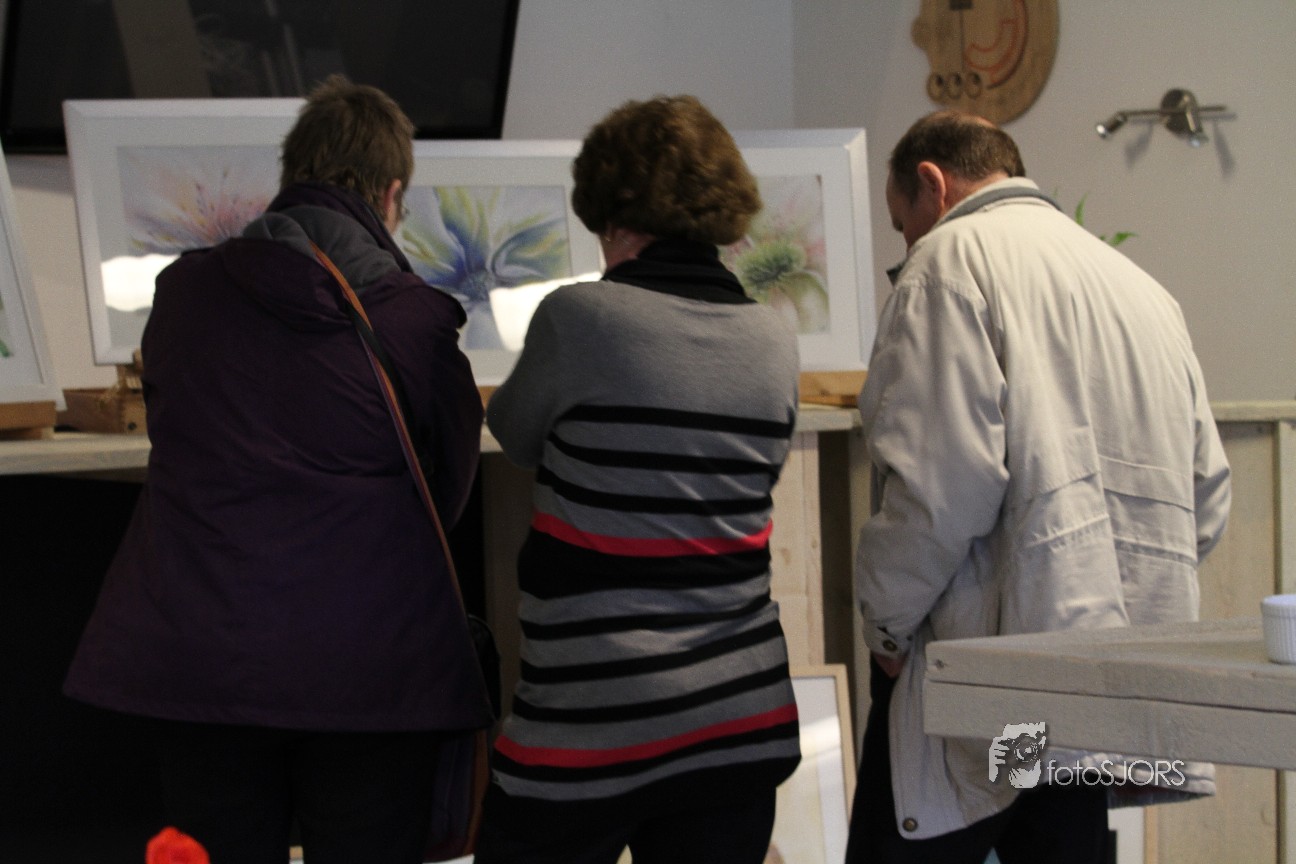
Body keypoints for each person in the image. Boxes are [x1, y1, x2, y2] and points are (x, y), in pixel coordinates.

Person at [64, 75, 493, 864]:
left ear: (292, 176)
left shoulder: (183, 295)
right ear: (391, 194)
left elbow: (174, 433)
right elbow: (447, 491)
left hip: (204, 664)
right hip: (369, 670)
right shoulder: (414, 321)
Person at [845, 110, 1232, 864]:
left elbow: (938, 491)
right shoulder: (1140, 289)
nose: (907, 243)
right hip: (1100, 684)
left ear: (931, 182)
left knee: (923, 841)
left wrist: (886, 624)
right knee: (1058, 847)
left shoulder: (949, 263)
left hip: (992, 680)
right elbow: (1206, 498)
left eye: (901, 224)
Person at [476, 94, 802, 864]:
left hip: (595, 718)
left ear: (616, 215)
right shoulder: (774, 338)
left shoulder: (581, 319)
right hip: (737, 718)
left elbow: (514, 434)